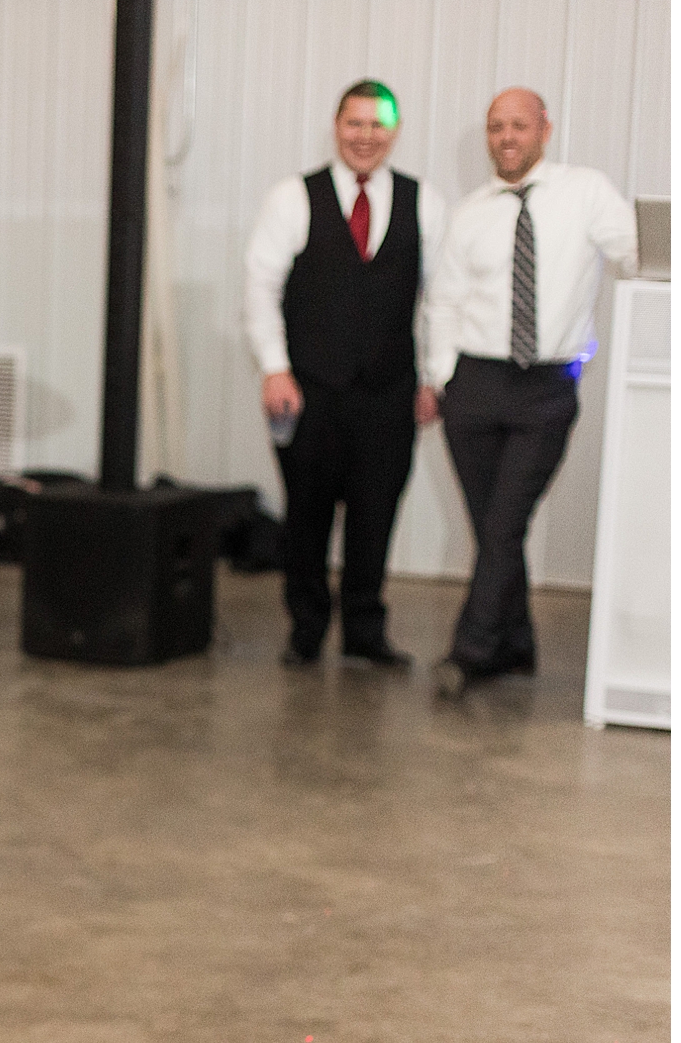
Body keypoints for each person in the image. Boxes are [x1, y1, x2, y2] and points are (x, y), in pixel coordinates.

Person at [423, 88, 637, 698]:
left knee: (504, 521)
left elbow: (636, 254)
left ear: (545, 128)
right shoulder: (470, 213)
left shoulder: (586, 192)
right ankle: (515, 646)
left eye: (518, 125)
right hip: (473, 385)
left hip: (545, 387)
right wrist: (440, 379)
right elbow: (444, 302)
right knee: (493, 526)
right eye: (496, 127)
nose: (506, 137)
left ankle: (470, 651)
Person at [244, 79, 446, 668]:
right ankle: (305, 629)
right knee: (306, 515)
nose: (365, 135)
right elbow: (260, 287)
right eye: (355, 123)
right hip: (308, 391)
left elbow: (442, 299)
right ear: (336, 127)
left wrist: (434, 377)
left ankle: (364, 632)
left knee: (375, 515)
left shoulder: (423, 202)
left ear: (394, 132)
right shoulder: (292, 197)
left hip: (389, 393)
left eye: (377, 124)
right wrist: (275, 370)